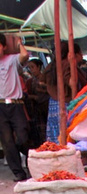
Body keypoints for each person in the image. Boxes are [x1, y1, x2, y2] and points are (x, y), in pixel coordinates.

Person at [41, 41, 86, 142]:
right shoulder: (66, 64)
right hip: (65, 105)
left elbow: (42, 81)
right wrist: (72, 63)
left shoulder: (51, 65)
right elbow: (72, 83)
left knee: (56, 138)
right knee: (67, 137)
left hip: (53, 105)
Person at [0, 34, 30, 180]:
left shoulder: (11, 60)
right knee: (7, 142)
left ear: (4, 47)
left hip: (16, 104)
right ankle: (19, 173)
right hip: (0, 107)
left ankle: (31, 163)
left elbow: (24, 55)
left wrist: (18, 43)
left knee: (23, 137)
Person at [24, 57, 49, 148]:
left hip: (45, 106)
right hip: (36, 110)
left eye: (33, 67)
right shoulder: (30, 81)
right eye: (29, 68)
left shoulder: (45, 79)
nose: (31, 70)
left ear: (39, 67)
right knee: (39, 130)